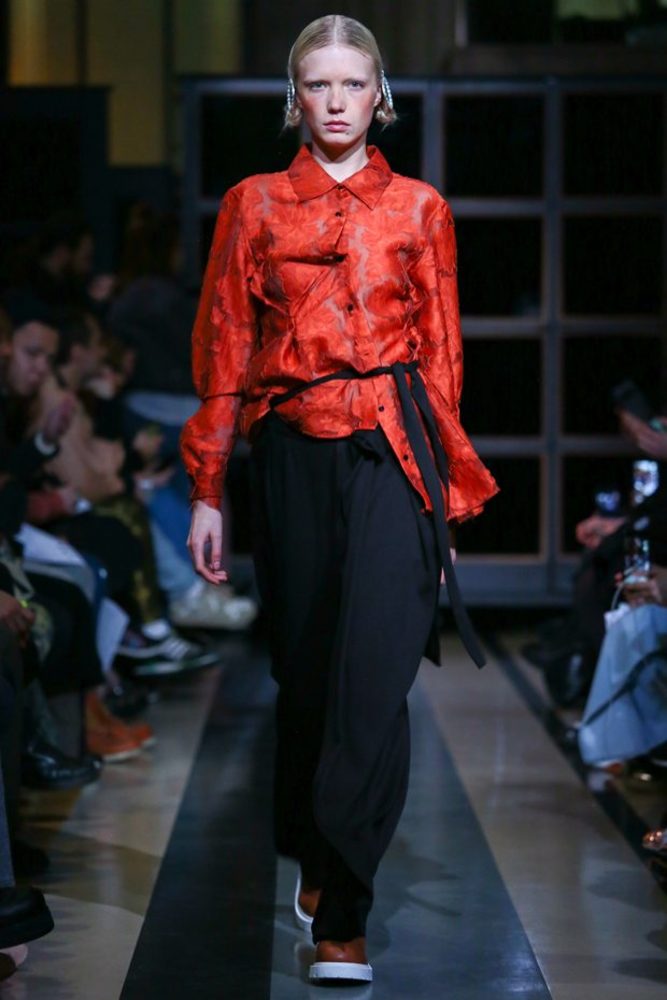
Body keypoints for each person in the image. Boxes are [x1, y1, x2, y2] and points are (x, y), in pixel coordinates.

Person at [181, 14, 498, 985]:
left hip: (393, 447)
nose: (334, 102)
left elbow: (442, 358)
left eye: (351, 84)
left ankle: (343, 913)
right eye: (316, 84)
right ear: (294, 97)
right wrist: (207, 488)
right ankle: (316, 848)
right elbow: (225, 346)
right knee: (309, 674)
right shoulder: (253, 204)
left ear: (379, 96)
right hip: (291, 451)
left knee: (374, 675)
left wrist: (443, 490)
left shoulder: (420, 209)